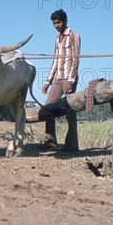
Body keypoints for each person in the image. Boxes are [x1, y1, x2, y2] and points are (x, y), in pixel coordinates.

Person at [41, 9, 80, 152]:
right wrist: (47, 82)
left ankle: (71, 145)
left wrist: (71, 79)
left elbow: (76, 59)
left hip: (69, 78)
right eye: (54, 23)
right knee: (48, 107)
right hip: (57, 79)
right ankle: (50, 142)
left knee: (70, 109)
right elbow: (56, 61)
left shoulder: (74, 36)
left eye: (58, 22)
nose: (56, 25)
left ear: (65, 21)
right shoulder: (57, 38)